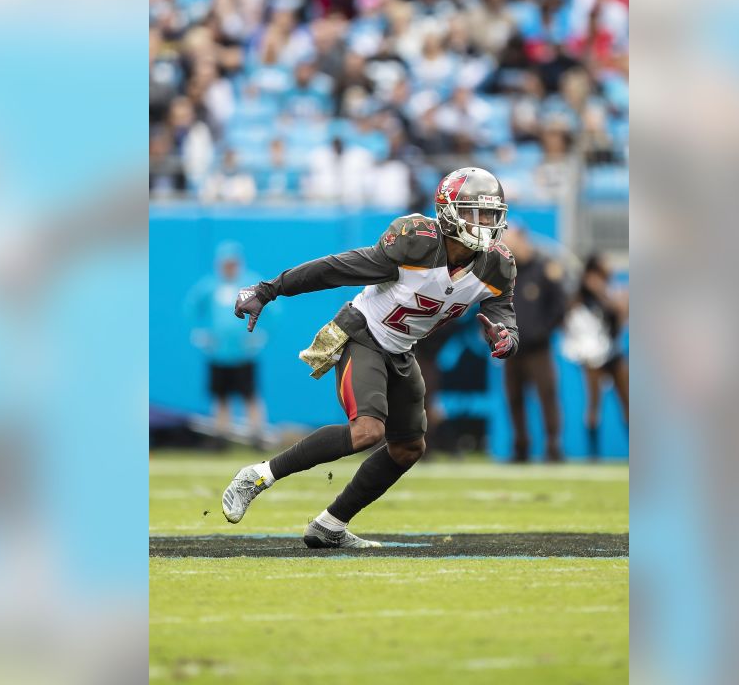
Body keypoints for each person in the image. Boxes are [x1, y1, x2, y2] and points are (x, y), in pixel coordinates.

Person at [221, 167, 520, 548]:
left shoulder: (497, 264)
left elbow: (502, 306)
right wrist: (269, 289)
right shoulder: (417, 243)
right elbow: (337, 268)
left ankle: (329, 525)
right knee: (368, 430)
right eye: (475, 213)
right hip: (363, 335)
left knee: (409, 447)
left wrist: (506, 334)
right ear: (447, 211)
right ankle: (260, 474)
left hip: (401, 351)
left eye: (491, 215)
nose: (486, 224)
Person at [184, 241, 268, 448]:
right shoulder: (210, 285)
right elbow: (191, 306)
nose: (229, 267)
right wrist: (199, 332)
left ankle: (257, 436)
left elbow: (274, 310)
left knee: (250, 394)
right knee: (220, 396)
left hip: (243, 352)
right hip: (218, 352)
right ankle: (221, 437)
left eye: (232, 263)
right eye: (225, 263)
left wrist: (262, 335)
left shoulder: (251, 284)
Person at [500, 226, 569, 462]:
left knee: (547, 396)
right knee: (514, 399)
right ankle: (521, 447)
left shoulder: (543, 270)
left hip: (538, 350)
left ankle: (553, 446)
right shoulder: (506, 273)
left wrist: (542, 332)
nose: (508, 249)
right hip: (512, 349)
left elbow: (559, 307)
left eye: (511, 243)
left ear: (523, 240)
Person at [565, 254, 629, 457]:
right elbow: (575, 333)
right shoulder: (577, 302)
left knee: (627, 400)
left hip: (613, 353)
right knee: (594, 404)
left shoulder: (609, 297)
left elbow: (616, 331)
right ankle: (593, 454)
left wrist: (621, 312)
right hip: (591, 358)